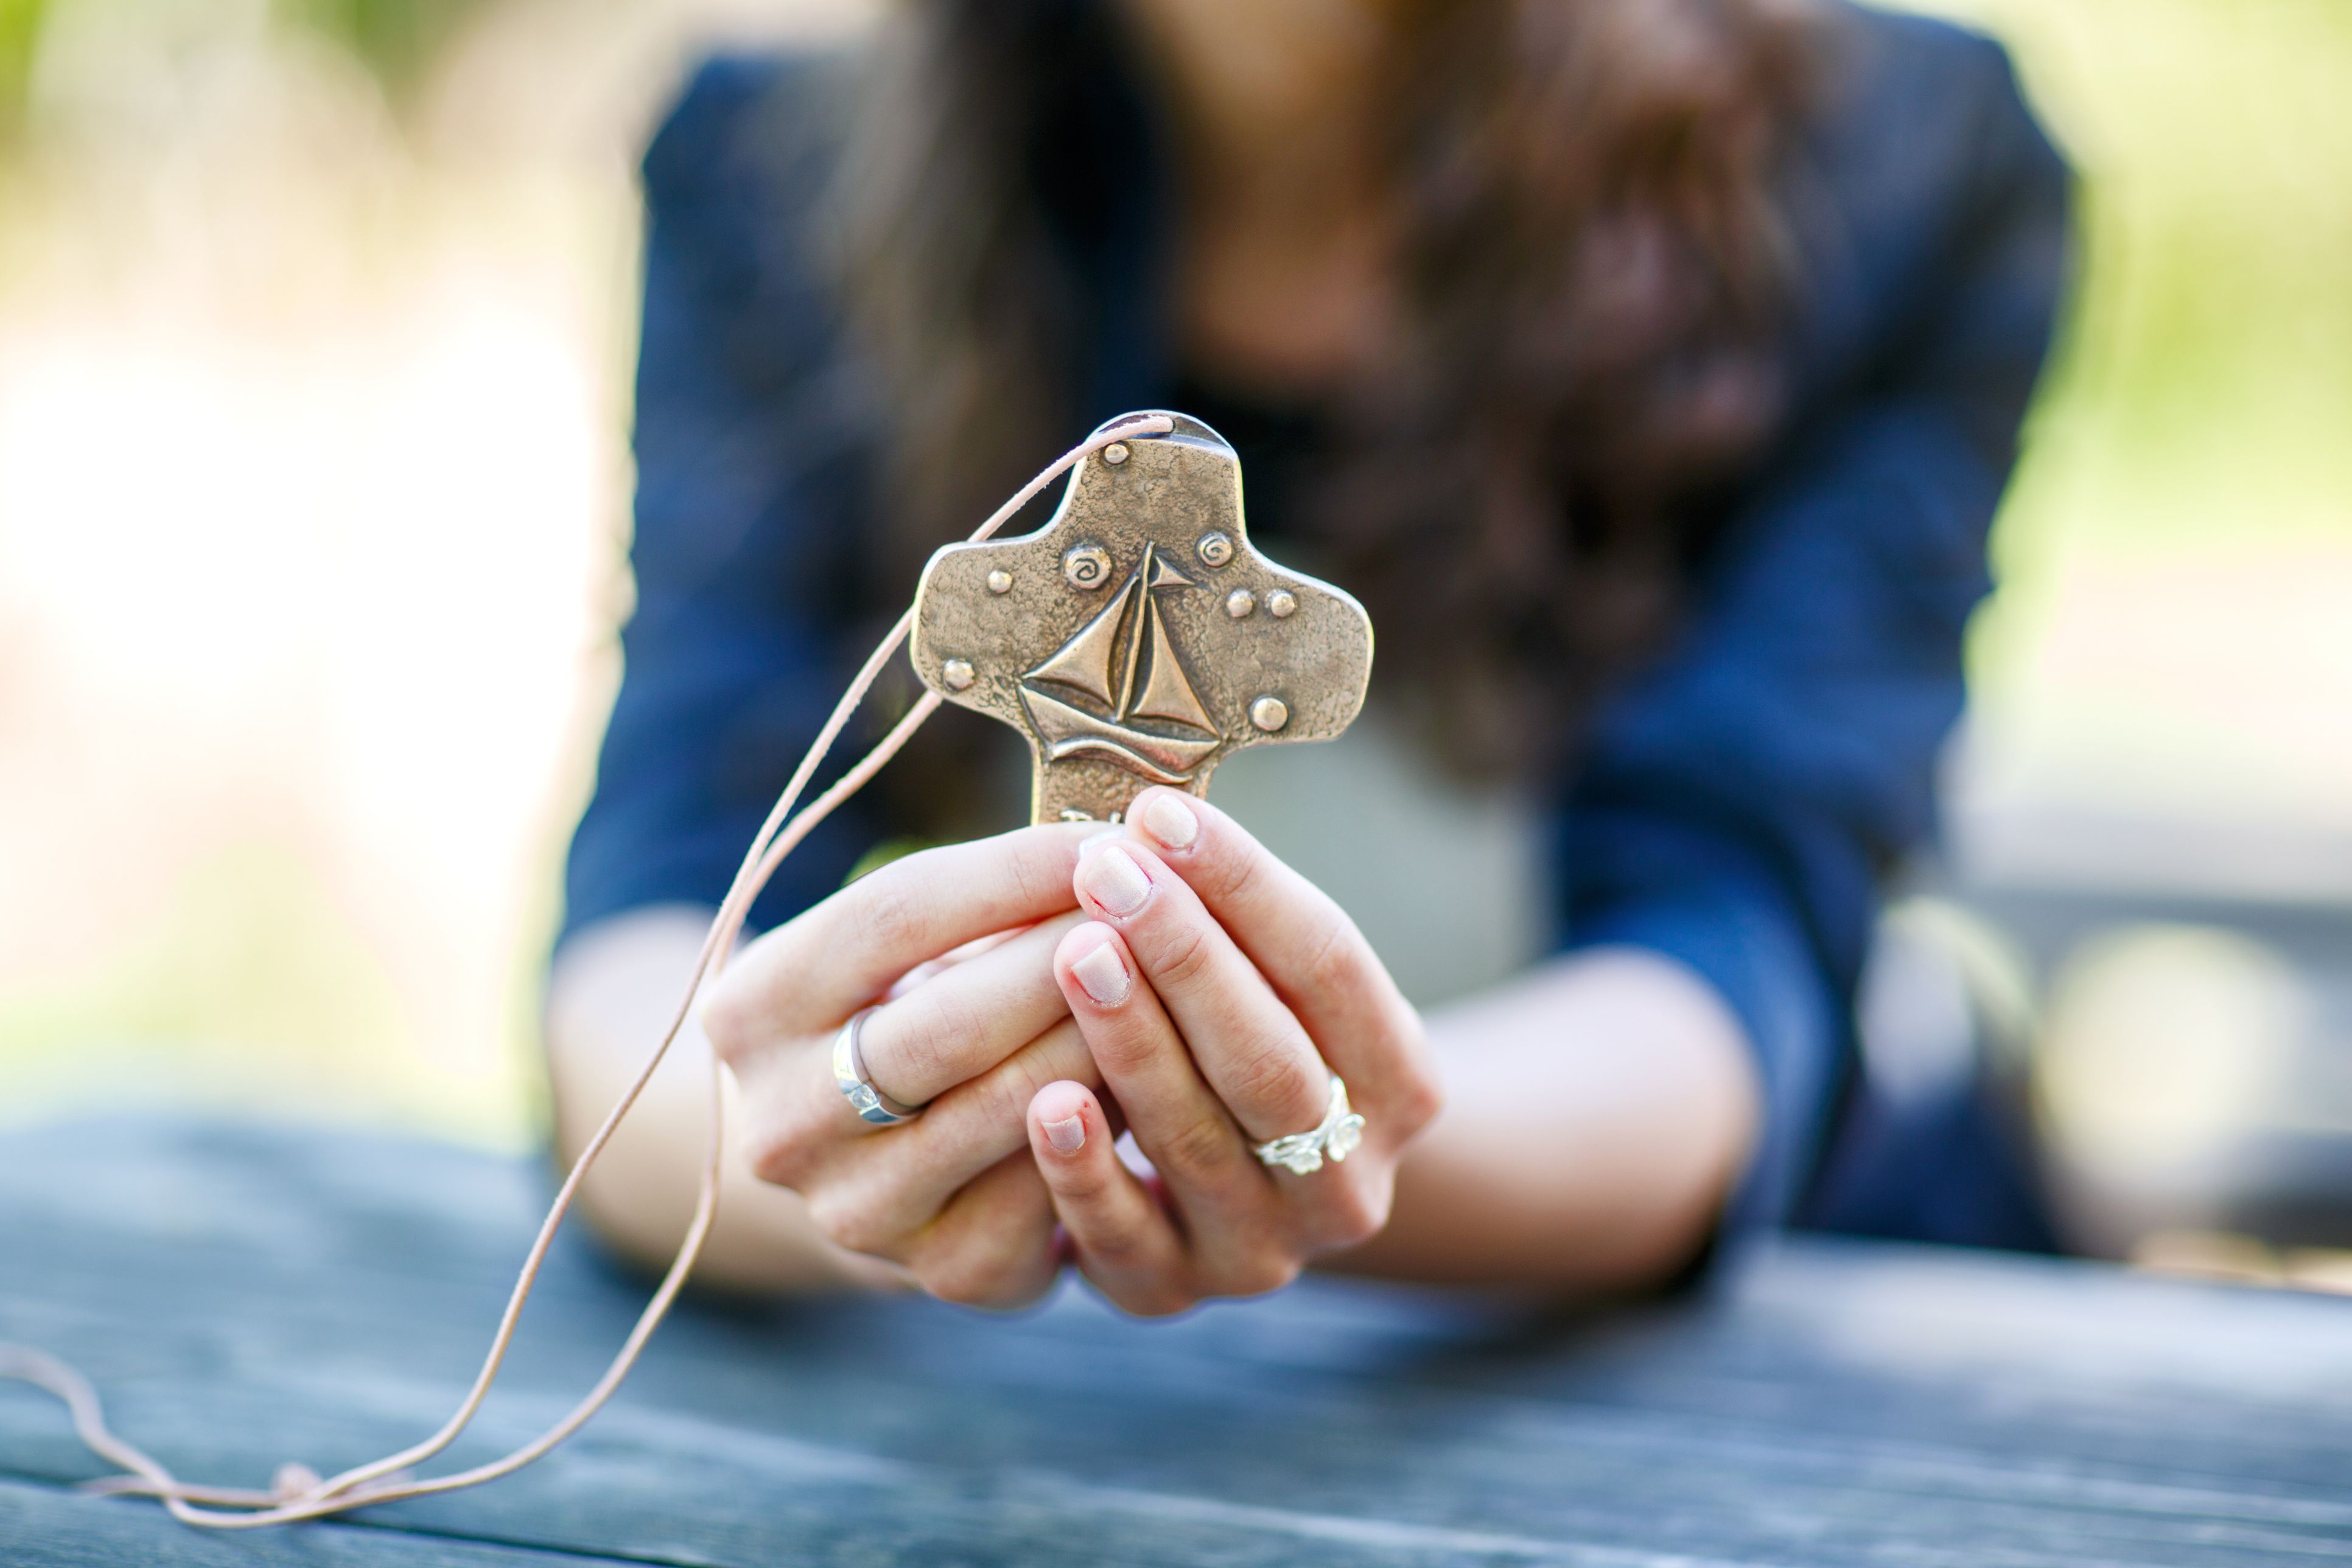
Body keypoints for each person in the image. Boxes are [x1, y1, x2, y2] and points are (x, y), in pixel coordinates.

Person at [545, 0, 2070, 1312]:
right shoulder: (772, 173)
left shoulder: (1895, 165)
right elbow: (650, 955)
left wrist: (1296, 1152)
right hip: (1017, 1407)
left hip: (1753, 1345)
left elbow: (1738, 940)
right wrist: (846, 1161)